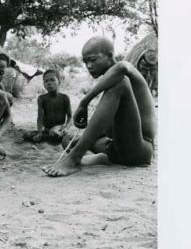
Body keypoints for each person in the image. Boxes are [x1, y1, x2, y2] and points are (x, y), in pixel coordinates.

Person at [43, 36, 156, 177]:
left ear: (110, 56)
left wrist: (85, 102)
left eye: (93, 60)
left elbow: (122, 67)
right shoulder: (109, 80)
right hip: (115, 146)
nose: (89, 66)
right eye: (85, 62)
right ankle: (103, 158)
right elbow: (114, 125)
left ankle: (74, 159)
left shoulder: (123, 73)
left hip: (139, 150)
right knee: (69, 140)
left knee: (121, 83)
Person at [23, 69, 72, 143]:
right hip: (46, 129)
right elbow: (40, 118)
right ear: (43, 84)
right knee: (26, 134)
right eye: (46, 81)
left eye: (52, 80)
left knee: (54, 133)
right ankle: (48, 136)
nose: (49, 83)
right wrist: (39, 132)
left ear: (59, 81)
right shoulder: (42, 98)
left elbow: (70, 117)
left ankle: (55, 136)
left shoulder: (64, 98)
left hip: (59, 128)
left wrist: (66, 128)